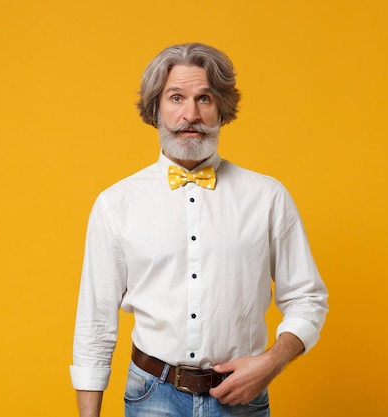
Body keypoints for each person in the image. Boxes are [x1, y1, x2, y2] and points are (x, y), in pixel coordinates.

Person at [70, 42, 328, 417]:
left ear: (222, 109)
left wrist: (271, 363)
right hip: (151, 396)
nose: (190, 114)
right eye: (176, 97)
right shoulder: (116, 203)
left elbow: (307, 299)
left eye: (204, 98)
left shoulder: (268, 197)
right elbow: (95, 320)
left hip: (242, 398)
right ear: (156, 108)